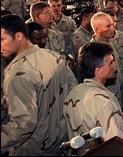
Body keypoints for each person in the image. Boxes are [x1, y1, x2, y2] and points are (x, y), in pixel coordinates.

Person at [1, 14, 77, 155]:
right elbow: (73, 91)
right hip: (61, 139)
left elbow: (23, 124)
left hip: (33, 148)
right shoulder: (53, 56)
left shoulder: (18, 73)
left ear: (19, 36)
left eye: (2, 39)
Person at [63, 42, 123, 149]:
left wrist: (116, 116)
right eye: (111, 62)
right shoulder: (104, 102)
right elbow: (118, 147)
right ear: (98, 71)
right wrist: (111, 115)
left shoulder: (73, 94)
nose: (115, 65)